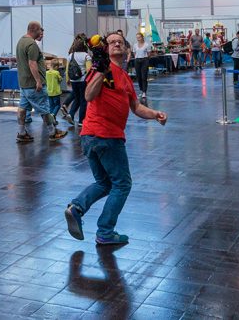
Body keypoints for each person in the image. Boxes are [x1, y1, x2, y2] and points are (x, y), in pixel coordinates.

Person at [64, 32, 167, 246]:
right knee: (122, 184)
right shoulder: (101, 69)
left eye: (120, 42)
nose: (117, 43)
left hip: (93, 137)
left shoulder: (126, 78)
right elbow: (89, 95)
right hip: (104, 135)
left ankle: (76, 208)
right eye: (112, 42)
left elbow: (136, 107)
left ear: (127, 49)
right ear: (106, 49)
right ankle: (105, 231)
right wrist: (101, 70)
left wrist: (155, 114)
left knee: (104, 183)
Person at [15, 21, 67, 143]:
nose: (41, 32)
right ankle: (53, 133)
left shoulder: (20, 42)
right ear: (34, 29)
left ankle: (22, 133)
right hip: (33, 85)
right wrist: (38, 81)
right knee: (44, 109)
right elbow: (32, 64)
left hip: (24, 84)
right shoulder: (32, 44)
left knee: (22, 108)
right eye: (40, 30)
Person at [65, 36, 90, 126]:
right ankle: (81, 121)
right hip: (83, 81)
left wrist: (68, 80)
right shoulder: (86, 56)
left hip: (73, 81)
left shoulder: (70, 56)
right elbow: (89, 70)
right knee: (83, 100)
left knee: (76, 98)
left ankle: (71, 114)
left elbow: (67, 69)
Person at [132, 33, 150, 98]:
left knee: (144, 77)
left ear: (142, 37)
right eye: (137, 37)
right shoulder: (135, 45)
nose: (138, 39)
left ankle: (144, 91)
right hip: (137, 60)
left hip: (144, 60)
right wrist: (137, 58)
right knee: (138, 76)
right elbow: (134, 53)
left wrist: (145, 59)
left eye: (139, 37)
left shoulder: (146, 45)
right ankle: (141, 90)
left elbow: (149, 53)